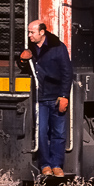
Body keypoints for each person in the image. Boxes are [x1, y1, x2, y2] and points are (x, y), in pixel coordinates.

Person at [19, 19, 73, 177]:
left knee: (59, 133)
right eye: (29, 32)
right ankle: (45, 164)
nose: (29, 35)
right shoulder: (30, 48)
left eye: (32, 32)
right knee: (41, 131)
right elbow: (25, 66)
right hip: (40, 98)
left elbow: (67, 72)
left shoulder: (58, 47)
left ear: (42, 33)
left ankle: (57, 164)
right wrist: (22, 60)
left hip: (56, 97)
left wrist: (64, 95)